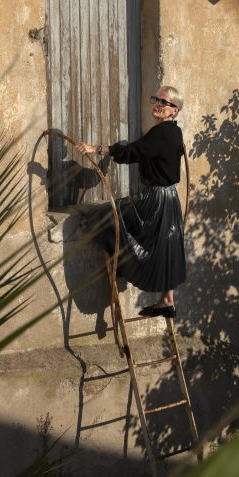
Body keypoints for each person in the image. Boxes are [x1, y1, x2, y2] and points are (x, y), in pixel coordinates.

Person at [75, 85, 186, 318]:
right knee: (166, 245)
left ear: (174, 110)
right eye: (156, 98)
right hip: (170, 197)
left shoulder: (161, 133)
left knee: (107, 215)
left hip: (155, 199)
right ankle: (167, 300)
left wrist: (96, 149)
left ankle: (122, 263)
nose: (157, 103)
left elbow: (132, 152)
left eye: (164, 102)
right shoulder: (174, 132)